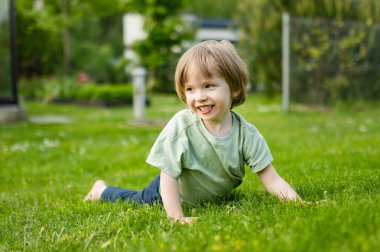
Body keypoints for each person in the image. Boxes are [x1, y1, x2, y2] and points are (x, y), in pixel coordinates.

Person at [84, 40, 302, 224]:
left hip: (205, 195)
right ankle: (101, 190)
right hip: (166, 193)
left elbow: (272, 180)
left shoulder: (247, 135)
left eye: (209, 86)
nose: (199, 96)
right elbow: (168, 176)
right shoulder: (182, 126)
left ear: (234, 88)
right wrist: (177, 217)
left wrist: (299, 205)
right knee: (134, 200)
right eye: (190, 89)